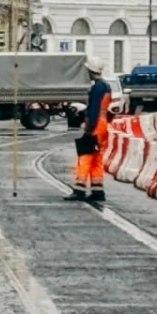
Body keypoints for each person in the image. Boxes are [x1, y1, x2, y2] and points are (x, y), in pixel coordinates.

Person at [69, 56, 111, 203]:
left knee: (85, 157)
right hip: (103, 125)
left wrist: (88, 128)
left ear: (91, 70)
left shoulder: (97, 87)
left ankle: (79, 189)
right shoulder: (106, 86)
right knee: (96, 158)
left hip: (96, 125)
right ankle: (97, 190)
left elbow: (94, 109)